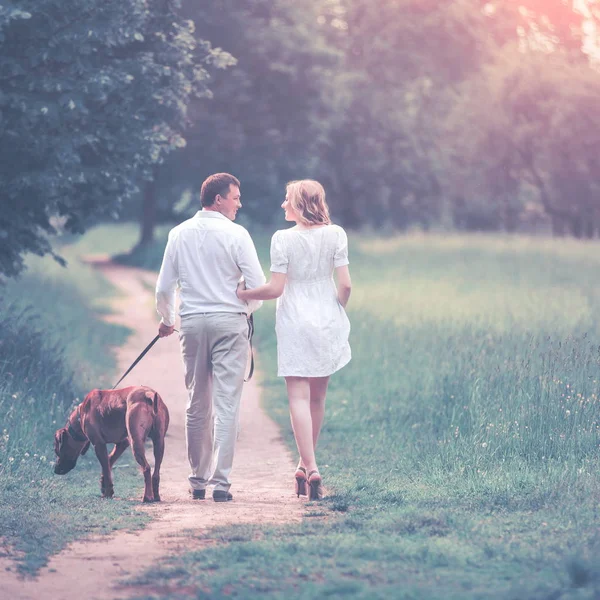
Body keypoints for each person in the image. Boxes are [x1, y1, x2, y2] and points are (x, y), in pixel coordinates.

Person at [237, 179, 351, 501]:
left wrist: (244, 293)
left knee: (298, 398)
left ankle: (310, 467)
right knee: (317, 399)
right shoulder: (337, 234)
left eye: (287, 200)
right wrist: (335, 310)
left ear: (300, 204)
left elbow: (275, 289)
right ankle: (305, 465)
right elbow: (346, 286)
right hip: (327, 319)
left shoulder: (282, 239)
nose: (283, 205)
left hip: (295, 321)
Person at [155, 173, 265, 502]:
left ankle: (197, 481)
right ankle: (221, 484)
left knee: (196, 402)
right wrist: (247, 310)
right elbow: (257, 285)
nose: (239, 204)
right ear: (218, 199)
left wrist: (167, 319)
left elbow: (164, 287)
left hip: (191, 323)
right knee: (227, 404)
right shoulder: (237, 234)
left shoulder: (178, 234)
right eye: (235, 197)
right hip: (229, 321)